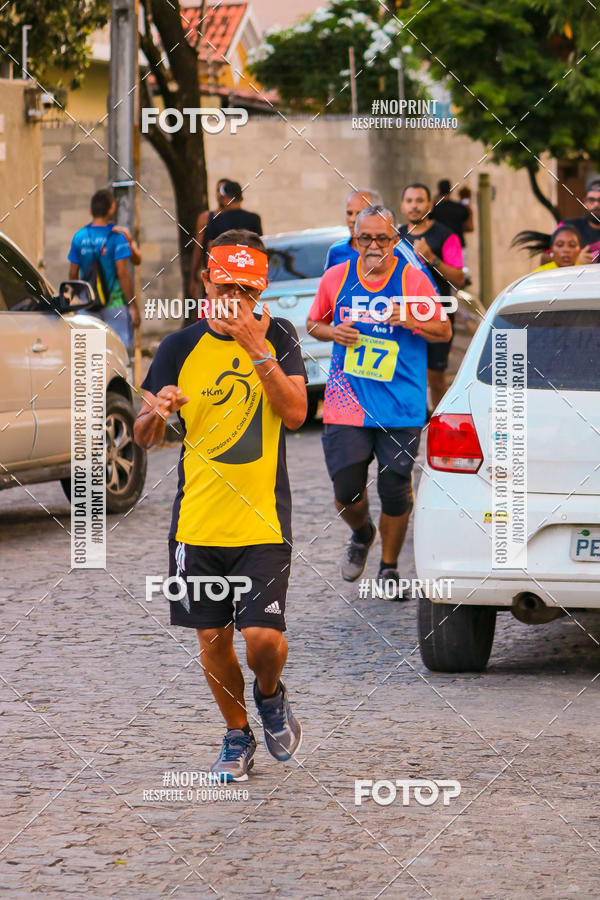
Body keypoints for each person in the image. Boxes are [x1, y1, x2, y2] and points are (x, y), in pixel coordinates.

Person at [134, 229, 307, 782]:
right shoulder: (177, 347)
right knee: (212, 640)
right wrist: (157, 413)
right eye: (225, 284)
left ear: (262, 289)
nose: (235, 297)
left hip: (261, 520)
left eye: (247, 288)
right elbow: (143, 438)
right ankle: (237, 734)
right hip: (197, 523)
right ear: (204, 281)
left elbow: (298, 412)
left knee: (263, 640)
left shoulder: (277, 334)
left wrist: (257, 350)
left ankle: (271, 693)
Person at [306, 206, 451, 593]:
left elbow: (444, 329)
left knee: (395, 489)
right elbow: (313, 323)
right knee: (346, 490)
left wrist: (412, 321)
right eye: (365, 238)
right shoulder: (337, 278)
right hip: (346, 401)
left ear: (395, 241)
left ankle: (388, 568)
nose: (373, 246)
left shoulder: (414, 281)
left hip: (400, 404)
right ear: (355, 241)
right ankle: (361, 532)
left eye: (382, 238)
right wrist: (333, 332)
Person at [398, 183, 465, 411]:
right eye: (409, 201)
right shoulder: (395, 237)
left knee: (436, 375)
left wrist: (432, 258)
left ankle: (439, 421)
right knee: (405, 372)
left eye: (419, 201)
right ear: (402, 206)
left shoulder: (446, 235)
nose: (414, 206)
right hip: (402, 316)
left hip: (437, 313)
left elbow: (459, 278)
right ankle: (410, 423)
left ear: (429, 204)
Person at [68, 188, 140, 352]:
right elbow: (122, 273)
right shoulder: (117, 237)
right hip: (115, 305)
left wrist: (73, 304)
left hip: (87, 306)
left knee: (89, 356)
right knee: (119, 353)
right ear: (112, 209)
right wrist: (133, 306)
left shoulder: (79, 237)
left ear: (90, 211)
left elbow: (73, 273)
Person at [324, 189, 436, 286]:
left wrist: (405, 311)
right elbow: (328, 294)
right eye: (349, 213)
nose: (353, 219)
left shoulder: (400, 250)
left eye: (359, 213)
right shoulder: (336, 251)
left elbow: (430, 294)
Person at [188, 177, 229, 298]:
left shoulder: (239, 218)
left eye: (224, 190)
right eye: (218, 190)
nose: (220, 194)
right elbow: (198, 248)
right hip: (212, 274)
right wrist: (192, 277)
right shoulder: (206, 218)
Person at [203, 180, 262, 250]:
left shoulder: (216, 219)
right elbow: (260, 245)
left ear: (226, 199)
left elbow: (211, 248)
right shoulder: (254, 218)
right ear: (242, 198)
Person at [512, 224, 589, 269]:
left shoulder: (586, 274)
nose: (566, 250)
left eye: (572, 245)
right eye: (560, 245)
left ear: (580, 250)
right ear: (551, 249)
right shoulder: (539, 275)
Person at [561, 179, 600, 256]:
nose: (596, 205)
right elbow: (545, 256)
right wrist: (575, 259)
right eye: (591, 200)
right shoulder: (568, 226)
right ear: (585, 202)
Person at [431, 178, 473, 247]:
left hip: (441, 246)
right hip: (458, 245)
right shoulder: (460, 208)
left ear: (439, 191)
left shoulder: (436, 209)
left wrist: (434, 200)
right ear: (451, 190)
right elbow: (470, 227)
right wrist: (465, 199)